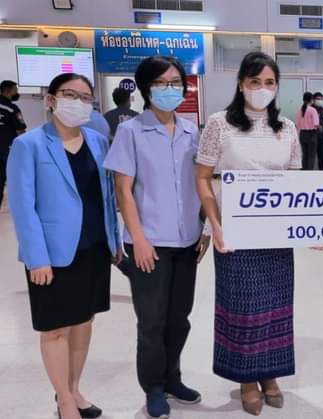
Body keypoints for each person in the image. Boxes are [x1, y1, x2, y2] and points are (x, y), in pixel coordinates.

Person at [7, 73, 122, 419]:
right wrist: (36, 258)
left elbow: (107, 196)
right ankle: (64, 400)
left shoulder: (97, 141)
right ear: (51, 100)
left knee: (83, 323)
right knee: (56, 328)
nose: (78, 103)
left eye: (85, 97)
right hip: (53, 255)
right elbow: (23, 207)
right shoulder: (29, 145)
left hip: (94, 247)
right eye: (70, 95)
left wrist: (114, 240)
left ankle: (74, 389)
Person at [104, 56, 210, 419]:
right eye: (161, 83)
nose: (170, 89)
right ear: (146, 88)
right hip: (148, 242)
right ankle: (153, 386)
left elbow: (201, 183)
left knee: (180, 317)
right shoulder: (131, 132)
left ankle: (172, 378)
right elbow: (123, 190)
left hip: (187, 241)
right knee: (152, 321)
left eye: (175, 82)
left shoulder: (192, 131)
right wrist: (139, 239)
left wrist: (204, 227)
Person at [195, 51, 301, 416]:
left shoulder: (286, 128)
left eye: (269, 82)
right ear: (241, 84)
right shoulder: (219, 124)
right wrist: (214, 224)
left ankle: (270, 373)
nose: (262, 88)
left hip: (275, 234)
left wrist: (308, 225)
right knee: (242, 308)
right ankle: (246, 380)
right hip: (234, 234)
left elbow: (295, 182)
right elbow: (203, 178)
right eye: (255, 81)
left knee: (275, 307)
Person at [0, 79, 27, 207]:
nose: (17, 93)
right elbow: (21, 130)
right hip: (5, 151)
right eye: (15, 90)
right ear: (7, 91)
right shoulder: (12, 108)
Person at [295, 91, 320, 170]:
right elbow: (316, 124)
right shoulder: (312, 110)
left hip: (302, 134)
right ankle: (309, 173)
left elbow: (297, 125)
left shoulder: (299, 110)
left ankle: (304, 172)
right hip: (311, 134)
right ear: (311, 100)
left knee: (305, 155)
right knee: (311, 156)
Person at [312, 91, 323, 170]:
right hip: (311, 138)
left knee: (322, 157)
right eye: (318, 99)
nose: (320, 101)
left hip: (322, 137)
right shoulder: (309, 110)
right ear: (313, 99)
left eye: (321, 99)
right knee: (310, 158)